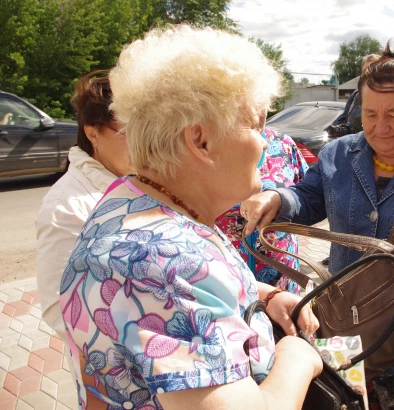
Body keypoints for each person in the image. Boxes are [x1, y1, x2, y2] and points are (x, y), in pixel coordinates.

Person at [58, 26, 321, 410]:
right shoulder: (161, 257)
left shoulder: (135, 198)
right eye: (253, 125)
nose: (265, 142)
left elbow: (192, 296)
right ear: (201, 141)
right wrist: (297, 358)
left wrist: (265, 296)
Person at [242, 41, 394, 409]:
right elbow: (309, 198)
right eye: (371, 114)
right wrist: (278, 199)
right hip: (346, 326)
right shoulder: (339, 154)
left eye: (393, 114)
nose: (380, 127)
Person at [36, 70, 133, 345]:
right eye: (128, 131)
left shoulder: (141, 181)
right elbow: (61, 311)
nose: (145, 141)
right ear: (93, 133)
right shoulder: (66, 208)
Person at [215, 127, 308, 295]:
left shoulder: (282, 143)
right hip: (224, 286)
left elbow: (305, 194)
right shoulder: (204, 146)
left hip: (283, 284)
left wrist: (280, 199)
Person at [327, 54, 381, 138]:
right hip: (349, 141)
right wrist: (333, 129)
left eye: (372, 70)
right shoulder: (356, 94)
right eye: (365, 71)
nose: (367, 75)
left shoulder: (384, 97)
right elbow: (344, 117)